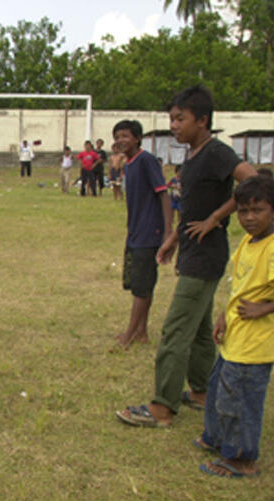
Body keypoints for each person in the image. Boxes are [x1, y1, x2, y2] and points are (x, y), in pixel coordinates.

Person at [116, 84, 256, 428]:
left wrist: (216, 218)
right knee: (198, 327)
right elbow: (194, 207)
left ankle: (162, 406)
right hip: (191, 250)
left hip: (207, 255)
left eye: (181, 119)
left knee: (177, 328)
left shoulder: (217, 152)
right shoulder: (192, 156)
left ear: (202, 120)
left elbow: (253, 181)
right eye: (172, 119)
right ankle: (202, 391)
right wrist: (173, 238)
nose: (175, 125)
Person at [194, 176, 274, 478]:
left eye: (257, 210)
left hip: (254, 344)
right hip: (237, 335)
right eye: (243, 211)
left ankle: (241, 460)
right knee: (219, 389)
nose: (249, 218)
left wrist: (265, 308)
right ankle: (216, 438)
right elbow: (244, 287)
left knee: (241, 402)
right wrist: (224, 315)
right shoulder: (250, 240)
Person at [112, 120, 173, 349]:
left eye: (125, 136)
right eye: (117, 136)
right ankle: (141, 331)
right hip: (135, 232)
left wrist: (168, 231)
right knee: (139, 282)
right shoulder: (129, 164)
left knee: (142, 286)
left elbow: (163, 194)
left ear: (137, 138)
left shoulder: (146, 160)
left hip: (149, 233)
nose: (121, 141)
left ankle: (130, 334)